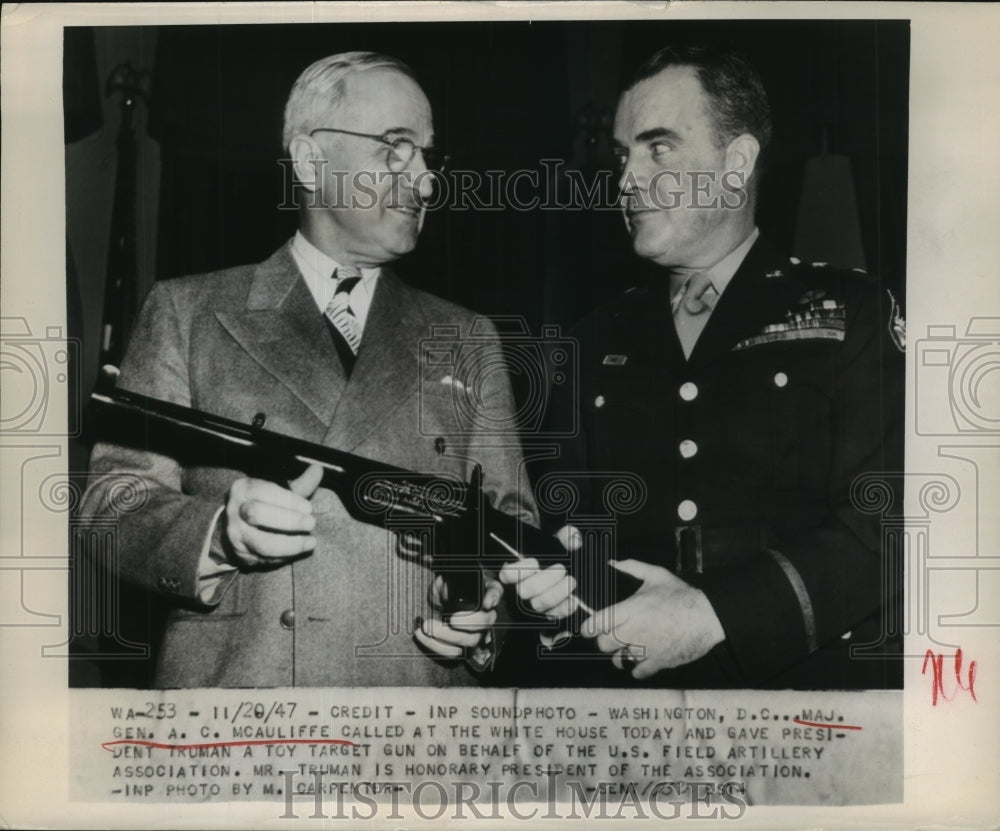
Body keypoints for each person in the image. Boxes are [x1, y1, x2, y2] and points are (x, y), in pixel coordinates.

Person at [80, 52, 535, 688]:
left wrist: (486, 615)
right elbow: (110, 504)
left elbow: (516, 533)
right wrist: (216, 535)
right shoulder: (187, 312)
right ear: (310, 161)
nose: (427, 181)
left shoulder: (467, 338)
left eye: (429, 157)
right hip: (240, 728)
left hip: (417, 732)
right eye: (396, 148)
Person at [501, 44, 904, 689]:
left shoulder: (850, 314)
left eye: (658, 148)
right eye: (622, 155)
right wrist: (548, 602)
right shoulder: (590, 339)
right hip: (629, 709)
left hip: (804, 705)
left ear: (737, 162)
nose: (627, 179)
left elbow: (888, 524)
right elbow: (564, 536)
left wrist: (714, 614)